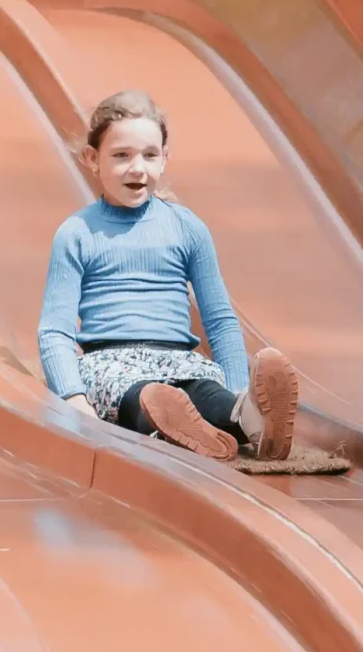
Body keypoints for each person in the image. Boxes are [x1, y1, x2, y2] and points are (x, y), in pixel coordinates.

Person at [38, 90, 300, 462]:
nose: (137, 168)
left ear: (165, 159)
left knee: (208, 392)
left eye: (149, 155)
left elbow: (220, 318)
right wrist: (74, 398)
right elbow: (54, 330)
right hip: (110, 361)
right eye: (121, 156)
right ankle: (174, 424)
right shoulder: (77, 233)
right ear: (92, 159)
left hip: (179, 358)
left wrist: (240, 390)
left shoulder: (186, 227)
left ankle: (245, 420)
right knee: (142, 395)